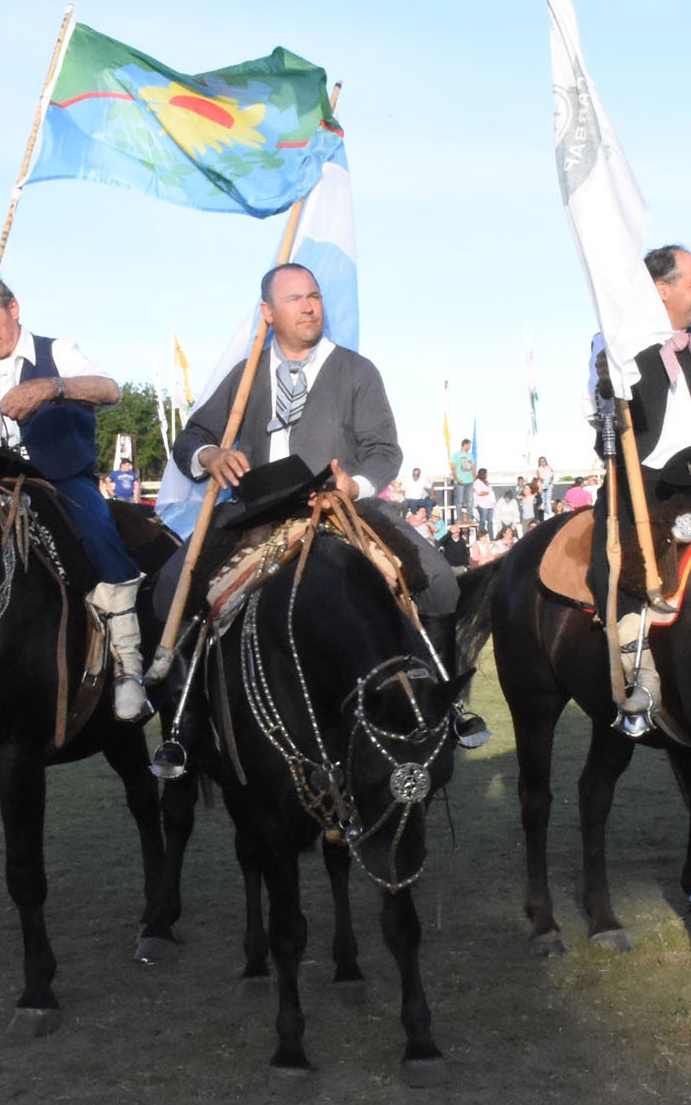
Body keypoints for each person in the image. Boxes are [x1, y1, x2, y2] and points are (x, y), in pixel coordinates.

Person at [158, 262, 488, 775]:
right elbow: (193, 436)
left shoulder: (355, 370)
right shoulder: (247, 373)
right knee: (170, 588)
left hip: (342, 508)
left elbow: (384, 451)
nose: (310, 306)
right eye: (295, 299)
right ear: (268, 313)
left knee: (440, 582)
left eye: (313, 295)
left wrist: (352, 483)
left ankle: (442, 708)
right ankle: (185, 725)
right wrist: (209, 458)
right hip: (255, 512)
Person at [0, 276, 150, 721]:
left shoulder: (57, 351)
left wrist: (51, 387)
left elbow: (110, 390)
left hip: (58, 482)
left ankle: (128, 671)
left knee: (99, 533)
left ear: (14, 308)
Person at [582, 246, 691, 734]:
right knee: (614, 564)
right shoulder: (612, 343)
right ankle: (640, 669)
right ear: (662, 289)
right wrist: (609, 385)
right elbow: (599, 422)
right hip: (646, 480)